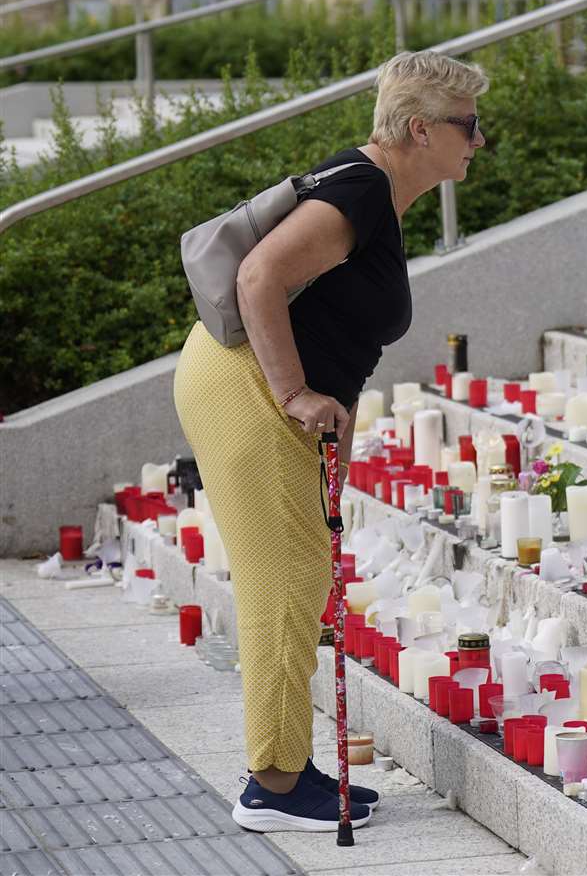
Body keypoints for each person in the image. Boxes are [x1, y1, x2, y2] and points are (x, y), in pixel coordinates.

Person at [172, 50, 488, 832]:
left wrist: (327, 420)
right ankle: (273, 789)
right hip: (247, 386)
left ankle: (286, 764)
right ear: (421, 129)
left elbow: (329, 317)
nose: (479, 140)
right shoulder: (362, 189)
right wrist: (293, 394)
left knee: (299, 571)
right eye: (469, 125)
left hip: (249, 384)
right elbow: (257, 279)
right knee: (283, 581)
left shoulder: (373, 187)